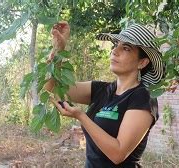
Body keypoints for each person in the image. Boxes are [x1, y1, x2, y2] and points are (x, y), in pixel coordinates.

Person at [46, 23, 165, 168]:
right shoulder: (101, 89)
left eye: (126, 48)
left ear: (142, 62)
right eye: (116, 45)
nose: (115, 51)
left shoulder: (143, 97)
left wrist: (81, 116)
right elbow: (53, 87)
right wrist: (58, 49)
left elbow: (118, 154)